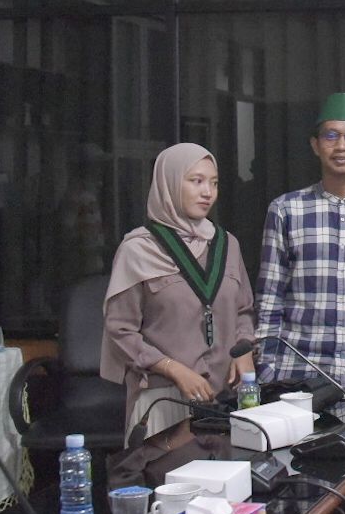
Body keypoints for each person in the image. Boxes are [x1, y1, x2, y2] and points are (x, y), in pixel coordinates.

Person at [101, 142, 257, 440]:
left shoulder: (227, 245)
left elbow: (243, 310)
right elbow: (120, 331)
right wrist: (174, 369)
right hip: (162, 399)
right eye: (196, 181)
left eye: (213, 183)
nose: (207, 192)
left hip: (222, 399)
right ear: (169, 183)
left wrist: (244, 349)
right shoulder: (139, 249)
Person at [253, 92, 345, 402]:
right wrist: (267, 372)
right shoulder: (286, 210)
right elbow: (270, 299)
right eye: (331, 135)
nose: (341, 146)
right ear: (315, 144)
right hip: (298, 383)